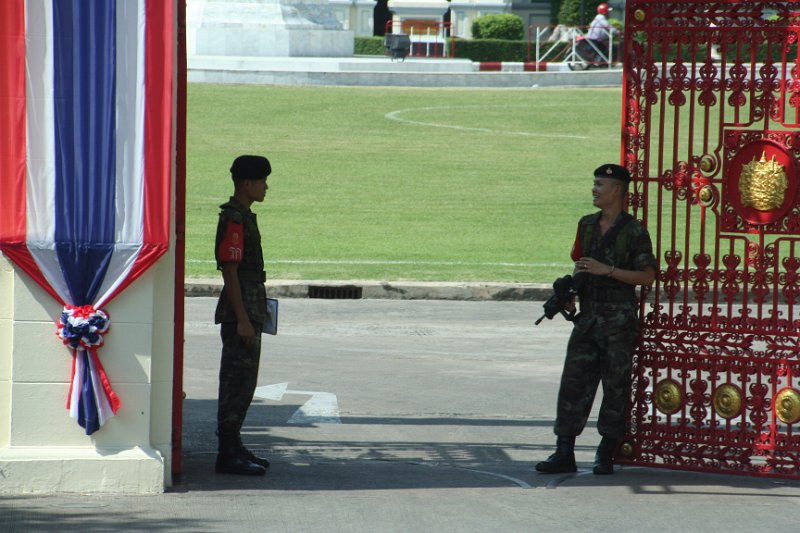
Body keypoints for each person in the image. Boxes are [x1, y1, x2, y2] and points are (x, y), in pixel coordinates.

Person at [535, 163, 657, 476]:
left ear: (617, 190)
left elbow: (647, 276)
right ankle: (564, 451)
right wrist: (571, 290)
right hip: (588, 319)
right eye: (595, 183)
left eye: (600, 184)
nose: (594, 189)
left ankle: (606, 451)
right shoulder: (586, 225)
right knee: (573, 383)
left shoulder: (634, 231)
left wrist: (609, 271)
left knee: (615, 386)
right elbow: (581, 264)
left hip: (618, 321)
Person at [214, 154, 272, 476]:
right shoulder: (234, 219)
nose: (266, 186)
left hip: (249, 308)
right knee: (236, 382)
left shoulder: (244, 216)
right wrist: (243, 319)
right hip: (242, 311)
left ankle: (234, 445)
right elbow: (231, 273)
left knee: (245, 382)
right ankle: (227, 452)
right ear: (247, 183)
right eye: (262, 180)